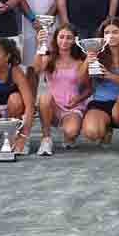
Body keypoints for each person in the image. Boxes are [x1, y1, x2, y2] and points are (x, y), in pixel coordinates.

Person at [80, 17, 119, 156]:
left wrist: (109, 76)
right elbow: (82, 82)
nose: (111, 36)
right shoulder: (96, 53)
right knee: (92, 133)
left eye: (115, 32)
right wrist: (87, 62)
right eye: (107, 33)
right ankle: (106, 129)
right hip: (99, 104)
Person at [33, 24, 89, 156]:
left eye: (69, 38)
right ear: (56, 38)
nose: (64, 41)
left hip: (73, 107)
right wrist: (39, 45)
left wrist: (78, 99)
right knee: (44, 97)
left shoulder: (81, 61)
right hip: (53, 107)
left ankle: (69, 132)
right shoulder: (49, 58)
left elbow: (89, 89)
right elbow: (36, 69)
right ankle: (46, 139)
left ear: (75, 40)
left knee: (71, 133)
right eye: (61, 37)